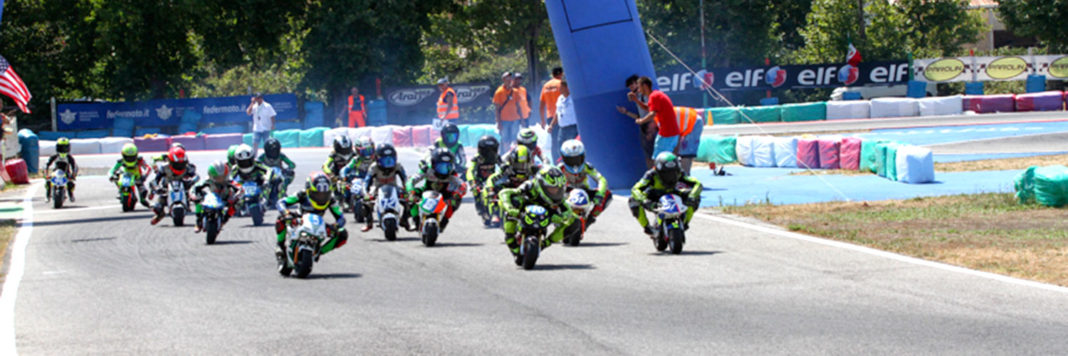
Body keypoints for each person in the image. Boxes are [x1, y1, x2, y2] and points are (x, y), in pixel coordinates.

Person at [498, 166, 576, 264]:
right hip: (524, 211)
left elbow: (568, 212)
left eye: (558, 189)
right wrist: (510, 207)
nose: (556, 192)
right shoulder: (529, 185)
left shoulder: (558, 198)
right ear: (541, 184)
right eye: (552, 189)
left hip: (546, 215)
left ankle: (546, 243)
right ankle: (510, 236)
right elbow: (505, 192)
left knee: (575, 220)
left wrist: (561, 217)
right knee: (515, 200)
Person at [275, 172, 348, 264]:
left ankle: (319, 251)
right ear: (309, 190)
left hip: (318, 224)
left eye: (324, 195)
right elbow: (281, 202)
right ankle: (280, 245)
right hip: (299, 221)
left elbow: (341, 217)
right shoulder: (301, 194)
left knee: (342, 233)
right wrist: (286, 213)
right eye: (318, 194)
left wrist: (336, 225)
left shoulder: (331, 200)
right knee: (281, 219)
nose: (321, 197)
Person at [628, 152, 702, 238]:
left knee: (696, 197)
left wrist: (692, 196)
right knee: (633, 200)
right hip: (655, 196)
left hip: (673, 192)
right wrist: (644, 200)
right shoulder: (651, 174)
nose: (670, 176)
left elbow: (697, 184)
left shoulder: (680, 173)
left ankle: (685, 222)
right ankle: (647, 227)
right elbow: (635, 189)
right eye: (665, 173)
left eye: (673, 172)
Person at [406, 148, 466, 232]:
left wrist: (458, 193)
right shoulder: (426, 169)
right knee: (409, 196)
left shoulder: (452, 173)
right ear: (433, 164)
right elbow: (411, 180)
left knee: (457, 199)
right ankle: (415, 220)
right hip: (426, 191)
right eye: (441, 167)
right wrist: (410, 190)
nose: (444, 170)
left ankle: (444, 221)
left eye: (448, 166)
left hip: (444, 195)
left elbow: (462, 185)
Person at [559, 140, 611, 227]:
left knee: (608, 195)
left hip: (584, 191)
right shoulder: (560, 169)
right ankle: (560, 218)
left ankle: (590, 218)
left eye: (577, 159)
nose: (575, 163)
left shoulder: (587, 167)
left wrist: (600, 194)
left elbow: (601, 179)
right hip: (566, 193)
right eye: (571, 160)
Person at [484, 145, 540, 226]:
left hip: (524, 190)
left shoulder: (533, 169)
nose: (522, 168)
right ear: (512, 161)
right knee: (495, 191)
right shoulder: (506, 168)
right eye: (518, 165)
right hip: (508, 188)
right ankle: (495, 214)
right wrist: (490, 190)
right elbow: (492, 179)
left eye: (524, 165)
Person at [361, 143, 410, 231]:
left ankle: (404, 220)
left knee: (409, 201)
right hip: (377, 188)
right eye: (385, 160)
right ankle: (369, 222)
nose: (388, 162)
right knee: (365, 202)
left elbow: (405, 179)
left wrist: (407, 191)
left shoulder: (398, 166)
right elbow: (366, 181)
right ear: (378, 159)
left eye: (390, 159)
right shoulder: (373, 167)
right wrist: (366, 193)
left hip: (394, 188)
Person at [633, 76, 680, 160]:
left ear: (645, 86)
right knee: (665, 159)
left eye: (639, 87)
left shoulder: (654, 97)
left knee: (659, 159)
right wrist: (636, 100)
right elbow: (648, 108)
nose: (639, 90)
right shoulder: (656, 95)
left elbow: (652, 113)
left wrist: (642, 121)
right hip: (670, 133)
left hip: (667, 134)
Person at [150, 146, 199, 225]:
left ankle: (201, 218)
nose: (180, 166)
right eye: (177, 164)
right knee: (157, 206)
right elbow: (155, 180)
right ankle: (160, 215)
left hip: (184, 189)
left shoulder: (187, 167)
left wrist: (191, 181)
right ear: (170, 161)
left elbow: (196, 176)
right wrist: (157, 187)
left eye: (182, 164)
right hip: (166, 190)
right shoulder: (164, 167)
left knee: (199, 198)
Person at [617, 75, 656, 168]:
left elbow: (651, 111)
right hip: (644, 127)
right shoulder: (638, 97)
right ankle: (652, 172)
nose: (631, 88)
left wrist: (636, 100)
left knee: (653, 153)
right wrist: (626, 112)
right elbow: (640, 116)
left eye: (632, 85)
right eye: (629, 86)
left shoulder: (646, 95)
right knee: (648, 154)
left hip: (651, 126)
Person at [190, 161, 241, 233]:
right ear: (211, 176)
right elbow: (194, 188)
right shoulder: (207, 180)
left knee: (238, 203)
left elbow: (240, 189)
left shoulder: (230, 181)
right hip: (210, 199)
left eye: (222, 177)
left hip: (224, 198)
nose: (220, 179)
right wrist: (194, 196)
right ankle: (198, 221)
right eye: (217, 177)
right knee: (198, 200)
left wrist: (236, 197)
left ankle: (225, 219)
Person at [466, 135, 501, 224]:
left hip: (492, 180)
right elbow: (470, 170)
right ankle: (481, 207)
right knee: (476, 190)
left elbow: (503, 167)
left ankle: (496, 212)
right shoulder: (477, 158)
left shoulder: (497, 157)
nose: (490, 153)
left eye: (492, 150)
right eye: (487, 151)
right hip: (479, 180)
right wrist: (472, 182)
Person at [107, 143, 153, 207]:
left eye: (132, 157)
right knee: (116, 176)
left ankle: (143, 200)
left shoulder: (140, 160)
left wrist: (145, 175)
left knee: (143, 193)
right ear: (123, 155)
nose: (130, 159)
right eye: (128, 157)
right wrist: (111, 176)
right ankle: (120, 191)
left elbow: (148, 168)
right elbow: (112, 170)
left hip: (137, 177)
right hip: (125, 176)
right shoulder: (121, 161)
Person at [493, 72, 522, 156]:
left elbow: (518, 106)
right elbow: (497, 109)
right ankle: (507, 156)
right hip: (504, 120)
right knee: (505, 140)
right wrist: (498, 122)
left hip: (515, 119)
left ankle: (515, 155)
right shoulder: (499, 92)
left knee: (515, 138)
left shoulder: (515, 91)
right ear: (503, 80)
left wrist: (522, 119)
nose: (509, 80)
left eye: (510, 78)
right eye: (507, 78)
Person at [539, 67, 564, 159]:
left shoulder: (546, 86)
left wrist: (542, 120)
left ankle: (556, 160)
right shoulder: (561, 84)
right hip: (561, 116)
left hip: (550, 117)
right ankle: (564, 159)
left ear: (552, 74)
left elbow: (541, 105)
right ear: (561, 74)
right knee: (563, 139)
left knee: (554, 140)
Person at [673, 106, 705, 174]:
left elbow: (676, 136)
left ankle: (685, 175)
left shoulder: (661, 121)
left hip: (693, 121)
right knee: (681, 150)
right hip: (687, 120)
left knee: (686, 152)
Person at [245, 93, 276, 157]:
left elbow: (272, 115)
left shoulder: (267, 106)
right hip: (257, 128)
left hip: (266, 128)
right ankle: (254, 157)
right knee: (255, 143)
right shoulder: (254, 106)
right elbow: (248, 112)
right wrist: (252, 103)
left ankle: (268, 156)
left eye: (260, 98)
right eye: (257, 98)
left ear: (262, 98)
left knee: (267, 144)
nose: (259, 99)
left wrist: (273, 124)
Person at [554, 80, 579, 148]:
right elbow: (557, 112)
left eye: (561, 87)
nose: (559, 89)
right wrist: (551, 125)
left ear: (566, 87)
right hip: (562, 128)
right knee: (561, 147)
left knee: (571, 147)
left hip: (572, 127)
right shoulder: (560, 98)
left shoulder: (573, 98)